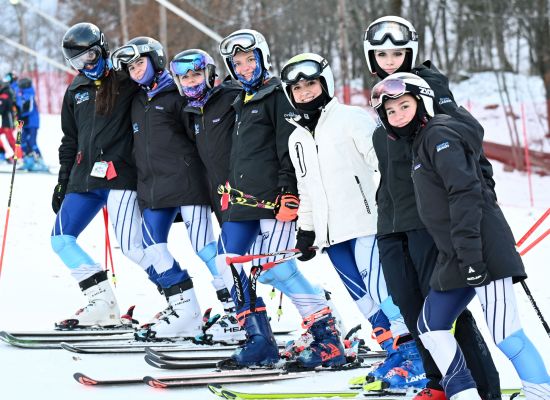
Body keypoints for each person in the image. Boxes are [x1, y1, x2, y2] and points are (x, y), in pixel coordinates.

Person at [372, 71, 550, 400]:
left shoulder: (440, 135)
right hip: (457, 255)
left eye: (403, 106)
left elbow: (465, 194)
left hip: (483, 251)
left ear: (422, 103)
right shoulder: (420, 141)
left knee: (506, 333)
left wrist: (470, 256)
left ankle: (540, 393)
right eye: (390, 112)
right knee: (430, 326)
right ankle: (463, 393)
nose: (397, 116)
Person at [364, 16, 502, 400]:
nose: (390, 60)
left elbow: (466, 139)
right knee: (411, 310)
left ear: (410, 52)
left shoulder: (430, 87)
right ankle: (439, 383)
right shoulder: (384, 97)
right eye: (381, 54)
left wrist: (482, 194)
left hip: (426, 222)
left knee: (444, 315)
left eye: (397, 52)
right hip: (391, 223)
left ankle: (482, 388)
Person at [281, 52, 427, 388]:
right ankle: (394, 352)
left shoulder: (351, 119)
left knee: (383, 291)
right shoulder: (297, 138)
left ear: (325, 84)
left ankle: (419, 357)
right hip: (333, 236)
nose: (305, 93)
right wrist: (306, 231)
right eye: (298, 88)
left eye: (311, 85)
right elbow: (306, 187)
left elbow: (383, 165)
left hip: (367, 224)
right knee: (363, 298)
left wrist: (388, 210)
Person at [214, 29, 344, 369]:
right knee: (227, 263)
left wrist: (289, 193)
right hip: (242, 204)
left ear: (262, 58)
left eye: (249, 60)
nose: (243, 68)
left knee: (275, 267)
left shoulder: (278, 95)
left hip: (273, 202)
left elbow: (291, 150)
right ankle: (259, 341)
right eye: (236, 63)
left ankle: (327, 338)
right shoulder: (238, 101)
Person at [51, 22, 147, 329]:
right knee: (60, 239)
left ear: (102, 48)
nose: (86, 66)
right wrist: (64, 180)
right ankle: (101, 301)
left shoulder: (125, 81)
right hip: (84, 179)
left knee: (133, 247)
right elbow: (70, 140)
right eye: (77, 62)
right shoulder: (75, 90)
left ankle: (180, 299)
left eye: (90, 57)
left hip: (120, 176)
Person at [169, 48, 247, 344]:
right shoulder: (192, 111)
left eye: (197, 74)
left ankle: (320, 308)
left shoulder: (229, 98)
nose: (191, 81)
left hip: (245, 192)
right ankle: (238, 310)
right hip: (217, 194)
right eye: (185, 77)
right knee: (232, 259)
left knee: (267, 265)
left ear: (210, 74)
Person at [15, 77, 47, 172]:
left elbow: (29, 108)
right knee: (23, 141)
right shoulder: (21, 94)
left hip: (32, 122)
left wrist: (22, 115)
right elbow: (19, 106)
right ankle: (29, 161)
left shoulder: (29, 94)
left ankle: (40, 161)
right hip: (24, 122)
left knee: (31, 141)